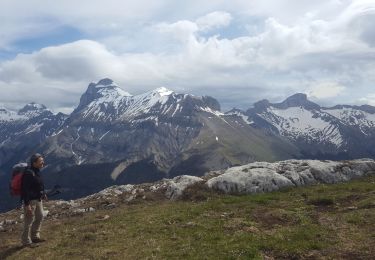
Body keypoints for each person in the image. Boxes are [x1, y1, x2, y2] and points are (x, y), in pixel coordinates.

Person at [21, 153, 47, 247]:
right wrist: (27, 205)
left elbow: (39, 184)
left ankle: (35, 236)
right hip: (31, 201)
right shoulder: (29, 173)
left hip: (38, 199)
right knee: (28, 221)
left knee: (40, 216)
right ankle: (26, 242)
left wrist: (43, 194)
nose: (43, 162)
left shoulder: (37, 171)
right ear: (34, 163)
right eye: (40, 161)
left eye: (42, 160)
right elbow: (25, 190)